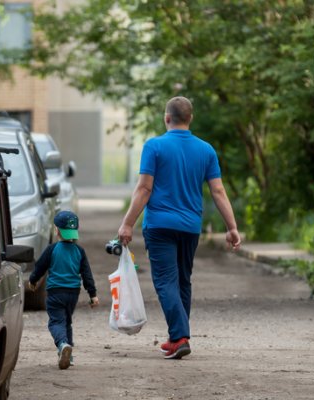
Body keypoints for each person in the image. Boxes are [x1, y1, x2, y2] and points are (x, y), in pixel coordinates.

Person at [117, 96, 241, 360]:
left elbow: (144, 188)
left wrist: (128, 223)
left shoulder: (154, 146)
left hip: (160, 225)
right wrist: (232, 227)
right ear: (190, 119)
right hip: (190, 227)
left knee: (165, 282)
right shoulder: (206, 150)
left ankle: (181, 336)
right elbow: (217, 190)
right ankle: (177, 337)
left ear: (166, 118)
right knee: (183, 281)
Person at [29, 210, 99, 369]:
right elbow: (87, 274)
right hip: (73, 293)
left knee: (56, 321)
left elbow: (40, 267)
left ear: (57, 230)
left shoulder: (52, 249)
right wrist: (93, 294)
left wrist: (33, 280)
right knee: (66, 321)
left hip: (55, 292)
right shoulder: (79, 251)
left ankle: (62, 345)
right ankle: (69, 354)